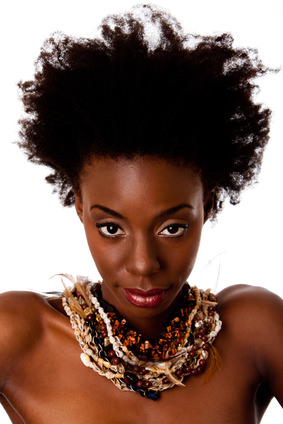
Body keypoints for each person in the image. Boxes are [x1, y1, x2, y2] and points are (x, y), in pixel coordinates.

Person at [0, 4, 282, 423]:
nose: (143, 264)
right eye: (111, 227)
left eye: (172, 227)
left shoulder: (253, 328)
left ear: (210, 204)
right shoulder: (17, 334)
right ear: (79, 205)